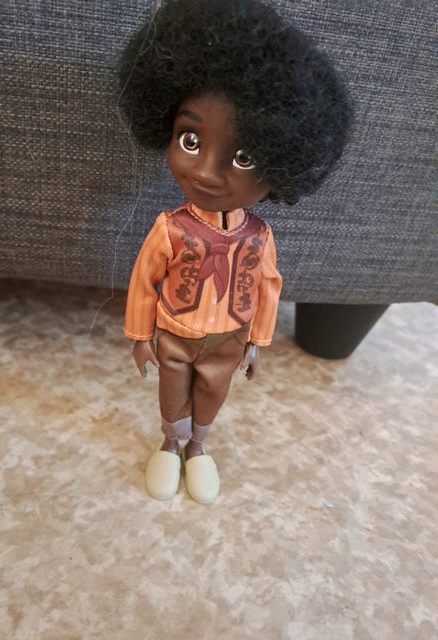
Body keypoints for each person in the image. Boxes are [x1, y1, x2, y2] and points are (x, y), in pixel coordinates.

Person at [118, 0, 352, 503]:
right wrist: (139, 334)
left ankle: (198, 447)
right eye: (190, 139)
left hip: (229, 338)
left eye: (243, 156)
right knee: (171, 391)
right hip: (175, 332)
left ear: (281, 164)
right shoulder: (170, 228)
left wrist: (258, 341)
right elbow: (144, 280)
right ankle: (169, 443)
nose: (206, 172)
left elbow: (269, 287)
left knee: (212, 394)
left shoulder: (258, 237)